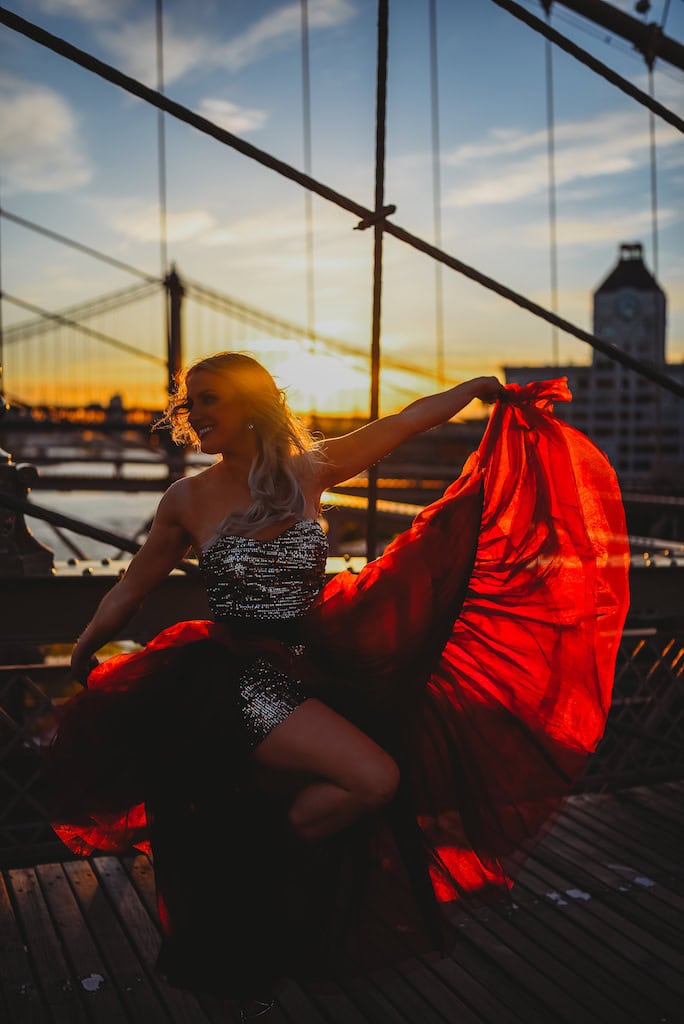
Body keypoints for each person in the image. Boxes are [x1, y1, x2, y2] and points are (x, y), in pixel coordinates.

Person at [45, 352, 629, 1021]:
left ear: (251, 404)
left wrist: (473, 389)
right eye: (190, 402)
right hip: (231, 682)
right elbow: (132, 585)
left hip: (307, 662)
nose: (193, 414)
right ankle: (255, 869)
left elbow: (403, 422)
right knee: (374, 779)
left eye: (208, 400)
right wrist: (87, 650)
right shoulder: (186, 497)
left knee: (380, 767)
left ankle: (245, 870)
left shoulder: (310, 470)